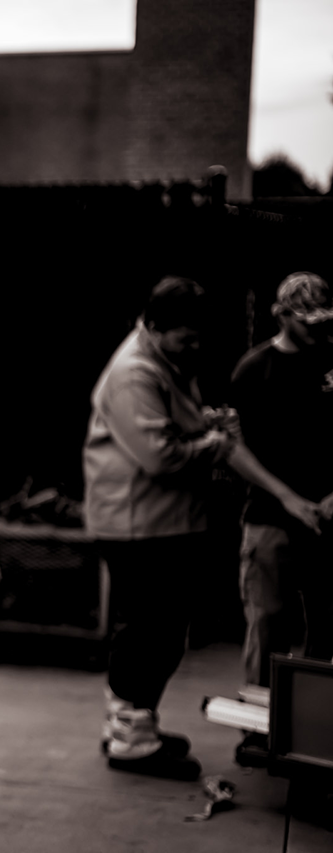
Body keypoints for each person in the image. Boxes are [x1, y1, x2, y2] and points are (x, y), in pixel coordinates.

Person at [83, 276, 236, 780]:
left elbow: (173, 426)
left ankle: (130, 726)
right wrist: (217, 444)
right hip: (138, 524)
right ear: (152, 326)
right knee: (151, 633)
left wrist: (204, 423)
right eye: (185, 339)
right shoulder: (134, 373)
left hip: (158, 521)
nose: (195, 348)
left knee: (157, 630)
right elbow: (159, 456)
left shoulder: (166, 361)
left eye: (199, 338)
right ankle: (132, 741)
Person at [226, 271, 333, 765]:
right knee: (266, 624)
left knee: (325, 627)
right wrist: (288, 497)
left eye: (324, 320)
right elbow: (234, 448)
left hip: (326, 521)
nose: (317, 329)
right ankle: (258, 728)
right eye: (308, 321)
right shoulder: (254, 370)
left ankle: (311, 731)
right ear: (283, 316)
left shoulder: (331, 361)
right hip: (269, 517)